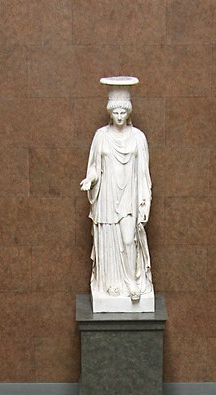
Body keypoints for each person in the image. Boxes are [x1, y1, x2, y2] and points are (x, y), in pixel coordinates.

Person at [80, 80, 153, 309]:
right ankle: (111, 284)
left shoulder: (138, 137)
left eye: (123, 111)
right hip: (106, 197)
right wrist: (89, 179)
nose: (120, 116)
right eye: (116, 112)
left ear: (128, 112)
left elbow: (143, 174)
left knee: (128, 239)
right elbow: (94, 165)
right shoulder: (101, 136)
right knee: (108, 240)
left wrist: (144, 202)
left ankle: (131, 282)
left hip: (129, 197)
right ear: (110, 113)